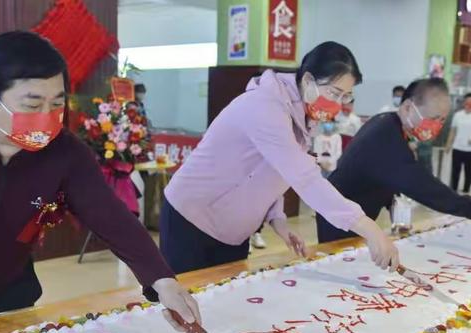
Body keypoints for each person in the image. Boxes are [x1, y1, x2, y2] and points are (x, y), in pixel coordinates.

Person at [0, 31, 200, 331]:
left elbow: (110, 216)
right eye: (32, 105)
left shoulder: (64, 153)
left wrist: (163, 280)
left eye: (56, 104)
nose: (46, 117)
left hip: (11, 298)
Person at [160, 41, 399, 275]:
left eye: (345, 97)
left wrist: (278, 220)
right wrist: (369, 228)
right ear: (308, 80)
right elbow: (304, 178)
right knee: (181, 302)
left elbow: (271, 169)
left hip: (233, 229)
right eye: (334, 93)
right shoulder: (265, 106)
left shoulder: (304, 116)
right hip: (191, 217)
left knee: (222, 302)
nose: (337, 104)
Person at [317, 78, 471, 243]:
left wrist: (394, 207)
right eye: (432, 118)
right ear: (407, 108)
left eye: (441, 120)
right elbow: (425, 188)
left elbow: (384, 175)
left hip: (354, 216)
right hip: (340, 220)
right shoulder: (386, 137)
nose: (436, 126)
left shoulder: (387, 122)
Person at [446, 93, 471, 193]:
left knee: (468, 172)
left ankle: (465, 191)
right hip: (457, 148)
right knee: (455, 170)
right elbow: (453, 131)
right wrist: (448, 145)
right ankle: (453, 190)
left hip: (469, 150)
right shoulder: (457, 115)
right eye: (467, 101)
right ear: (464, 102)